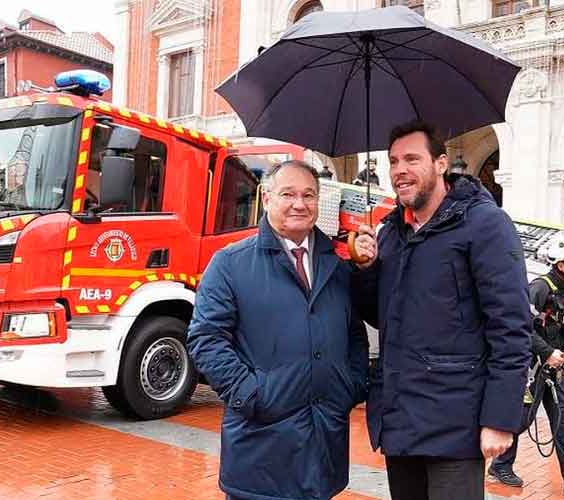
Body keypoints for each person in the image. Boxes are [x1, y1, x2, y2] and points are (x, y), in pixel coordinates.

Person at [350, 120, 532, 500]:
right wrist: (365, 269)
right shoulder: (391, 233)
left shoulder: (485, 224)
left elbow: (511, 327)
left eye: (412, 159)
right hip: (400, 418)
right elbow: (377, 315)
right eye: (394, 161)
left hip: (456, 424)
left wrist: (499, 419)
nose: (400, 170)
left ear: (440, 163)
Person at [187, 160, 369, 500]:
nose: (299, 204)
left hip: (323, 449)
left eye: (309, 195)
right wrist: (252, 394)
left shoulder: (337, 268)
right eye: (288, 194)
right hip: (260, 454)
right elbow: (206, 340)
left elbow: (354, 335)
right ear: (267, 198)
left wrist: (351, 384)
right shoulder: (230, 264)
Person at [489, 230, 564, 499]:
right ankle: (500, 465)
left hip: (556, 370)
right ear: (561, 263)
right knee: (520, 420)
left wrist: (557, 356)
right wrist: (546, 352)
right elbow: (520, 327)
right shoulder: (539, 289)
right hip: (532, 370)